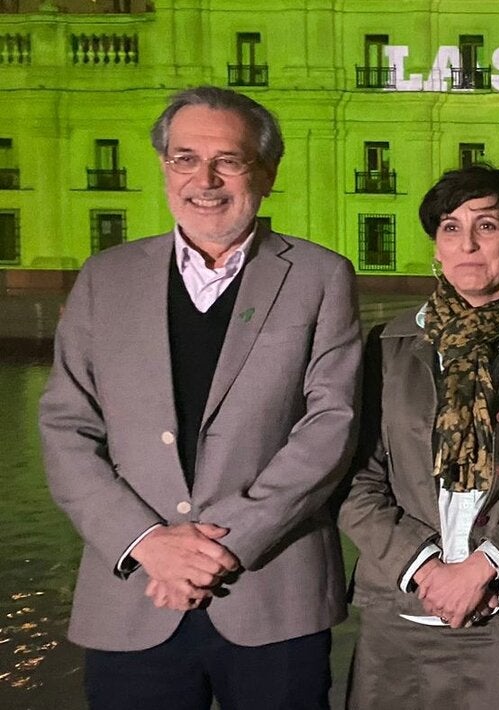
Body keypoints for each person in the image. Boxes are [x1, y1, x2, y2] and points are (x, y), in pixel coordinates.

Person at [38, 86, 360, 709]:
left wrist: (227, 543)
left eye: (228, 161)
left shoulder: (322, 276)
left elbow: (331, 425)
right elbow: (65, 428)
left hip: (273, 592)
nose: (205, 180)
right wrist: (149, 544)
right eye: (185, 158)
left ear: (266, 172)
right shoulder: (105, 278)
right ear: (164, 166)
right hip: (135, 592)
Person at [338, 165, 499, 709]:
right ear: (436, 247)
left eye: (486, 226)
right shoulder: (387, 344)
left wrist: (484, 567)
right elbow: (356, 480)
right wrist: (427, 571)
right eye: (451, 228)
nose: (467, 244)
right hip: (403, 609)